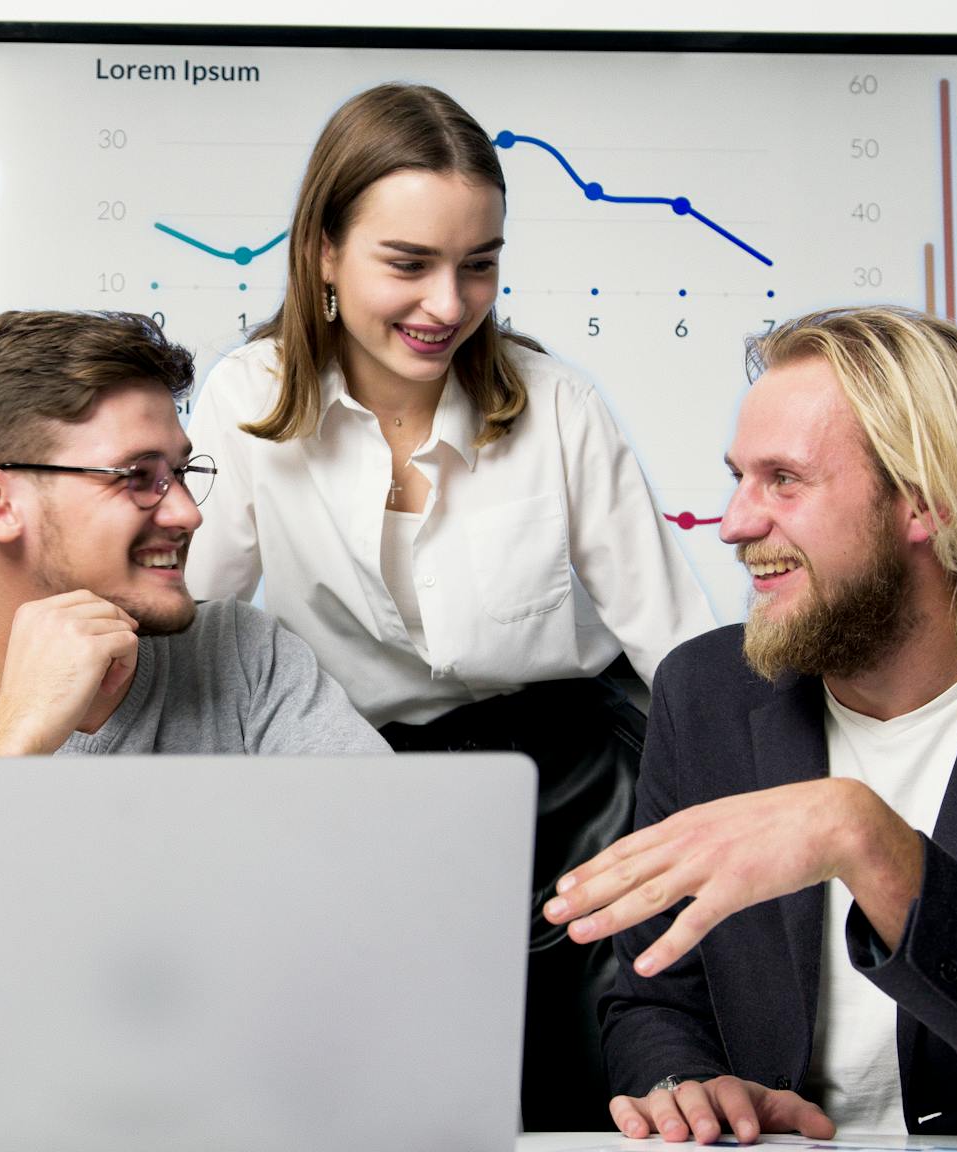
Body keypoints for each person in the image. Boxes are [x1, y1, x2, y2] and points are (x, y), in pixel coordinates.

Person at [182, 81, 714, 1126]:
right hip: (348, 794)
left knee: (579, 1102)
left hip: (569, 794)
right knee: (367, 1107)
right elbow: (188, 624)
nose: (446, 304)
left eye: (478, 265)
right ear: (323, 252)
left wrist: (777, 810)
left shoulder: (556, 403)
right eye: (407, 264)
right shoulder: (245, 398)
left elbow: (676, 643)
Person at [544, 306, 957, 1145]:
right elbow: (656, 997)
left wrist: (867, 840)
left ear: (926, 503)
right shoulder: (706, 692)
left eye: (783, 480)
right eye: (738, 477)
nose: (734, 524)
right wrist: (690, 1091)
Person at [0, 309, 389, 759]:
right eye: (138, 476)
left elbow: (400, 872)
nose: (188, 514)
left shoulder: (245, 656)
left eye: (181, 474)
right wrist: (17, 735)